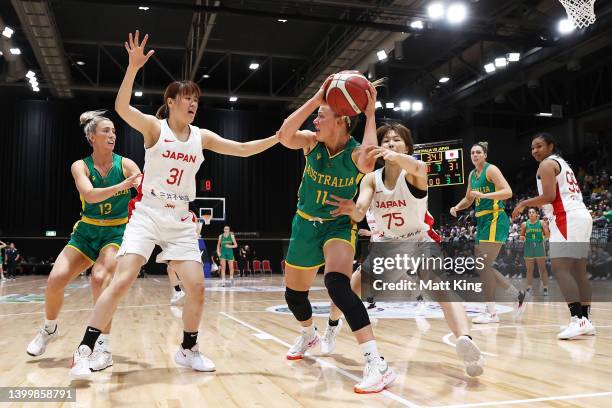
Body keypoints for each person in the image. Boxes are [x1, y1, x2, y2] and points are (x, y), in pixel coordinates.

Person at [69, 30, 279, 379]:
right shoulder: (155, 128)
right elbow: (122, 108)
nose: (192, 102)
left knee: (197, 287)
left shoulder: (202, 137)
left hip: (181, 219)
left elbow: (242, 149)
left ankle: (188, 348)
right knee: (121, 280)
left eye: (195, 98)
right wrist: (133, 67)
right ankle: (85, 349)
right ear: (170, 102)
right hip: (149, 212)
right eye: (185, 97)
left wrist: (276, 138)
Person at [327, 122, 484, 377]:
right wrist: (352, 210)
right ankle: (332, 325)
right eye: (386, 140)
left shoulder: (414, 173)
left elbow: (421, 166)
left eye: (396, 140)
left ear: (408, 146)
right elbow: (360, 210)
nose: (390, 143)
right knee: (349, 288)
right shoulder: (371, 178)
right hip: (388, 246)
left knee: (441, 288)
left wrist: (397, 157)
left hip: (419, 240)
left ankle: (465, 340)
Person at [277, 75, 396, 394]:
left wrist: (371, 114)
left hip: (338, 225)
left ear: (342, 121)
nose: (316, 119)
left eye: (322, 115)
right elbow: (283, 134)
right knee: (294, 296)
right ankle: (308, 334)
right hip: (304, 224)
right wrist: (318, 98)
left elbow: (370, 158)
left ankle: (376, 363)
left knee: (337, 285)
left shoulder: (357, 153)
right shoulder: (311, 143)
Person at [26, 111, 141, 370]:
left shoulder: (127, 164)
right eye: (106, 131)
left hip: (115, 232)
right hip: (86, 231)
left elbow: (143, 188)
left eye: (114, 131)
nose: (112, 135)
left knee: (101, 279)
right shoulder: (80, 166)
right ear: (92, 137)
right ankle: (49, 329)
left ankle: (104, 347)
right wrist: (123, 186)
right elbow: (89, 195)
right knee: (55, 280)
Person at [512, 133, 594, 340]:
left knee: (561, 268)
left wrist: (523, 203)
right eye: (532, 148)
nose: (535, 151)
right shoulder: (562, 163)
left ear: (551, 146)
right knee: (579, 271)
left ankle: (578, 319)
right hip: (581, 215)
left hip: (567, 217)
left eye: (539, 146)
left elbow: (549, 197)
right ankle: (585, 320)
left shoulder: (547, 165)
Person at [450, 142, 526, 323]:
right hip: (483, 221)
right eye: (472, 153)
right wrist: (457, 207)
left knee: (482, 266)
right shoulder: (472, 174)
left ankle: (492, 312)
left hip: (495, 219)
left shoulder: (491, 170)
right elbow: (469, 198)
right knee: (483, 266)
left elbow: (507, 192)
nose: (474, 155)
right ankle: (518, 295)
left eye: (478, 152)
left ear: (485, 155)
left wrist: (484, 196)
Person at [519, 208, 550, 295]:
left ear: (537, 214)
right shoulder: (525, 224)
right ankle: (529, 287)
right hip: (529, 247)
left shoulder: (541, 223)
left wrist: (546, 226)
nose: (531, 214)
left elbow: (547, 235)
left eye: (533, 212)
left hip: (539, 247)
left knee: (542, 269)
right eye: (529, 212)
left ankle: (545, 288)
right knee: (529, 270)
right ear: (528, 214)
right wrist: (521, 238)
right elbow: (521, 236)